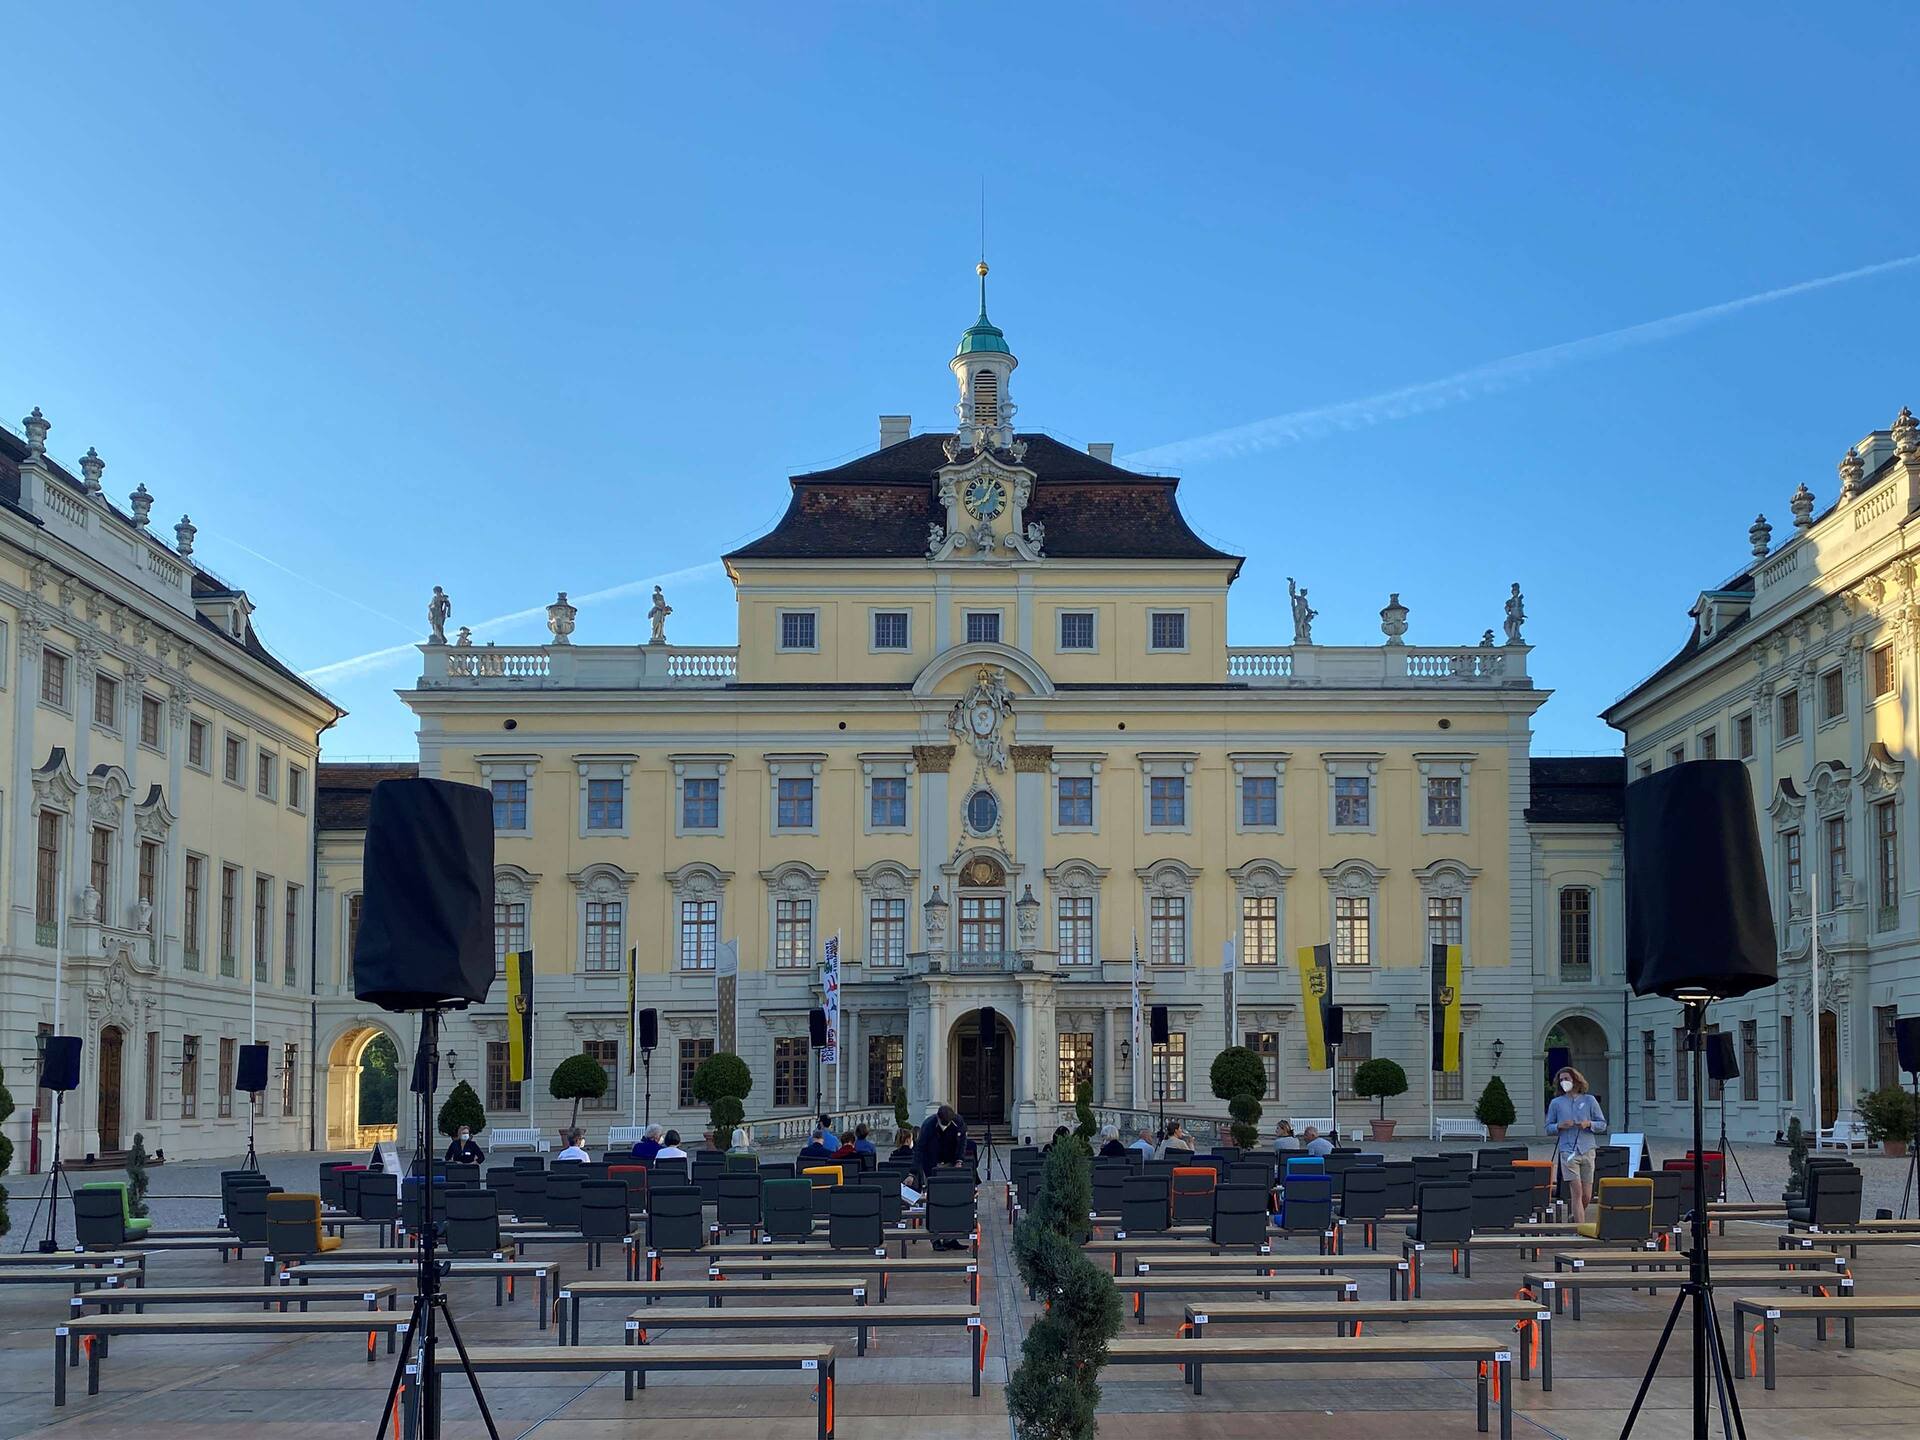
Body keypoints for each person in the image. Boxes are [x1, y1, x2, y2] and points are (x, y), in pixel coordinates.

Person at [1546, 1065, 1608, 1224]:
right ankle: (1579, 1230)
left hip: (1587, 1149)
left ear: (1575, 1080)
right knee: (1577, 1191)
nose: (1563, 1082)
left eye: (1566, 1079)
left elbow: (1602, 1124)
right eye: (1561, 1080)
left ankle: (1575, 1216)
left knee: (1587, 1194)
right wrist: (1559, 1126)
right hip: (1568, 1151)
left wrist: (1589, 1124)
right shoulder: (1556, 1103)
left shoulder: (1589, 1100)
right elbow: (1548, 1127)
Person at [913, 1104, 967, 1178]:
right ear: (938, 1117)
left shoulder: (958, 1122)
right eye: (943, 1123)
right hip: (932, 1161)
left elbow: (962, 1142)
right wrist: (913, 1172)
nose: (945, 1126)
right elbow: (920, 1148)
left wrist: (959, 1160)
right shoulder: (928, 1125)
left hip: (952, 1161)